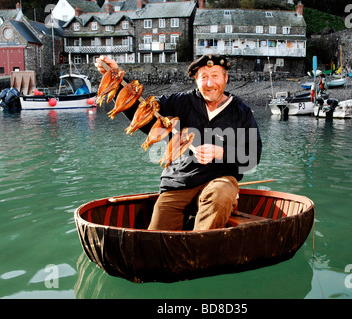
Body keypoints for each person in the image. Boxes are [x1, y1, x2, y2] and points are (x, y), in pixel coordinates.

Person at [95, 54, 262, 231]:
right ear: (195, 80)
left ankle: (200, 248)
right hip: (178, 183)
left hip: (219, 181)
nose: (209, 83)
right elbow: (143, 110)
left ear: (226, 77)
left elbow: (252, 155)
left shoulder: (241, 111)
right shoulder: (180, 102)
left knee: (222, 194)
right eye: (203, 77)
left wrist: (220, 152)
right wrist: (116, 75)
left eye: (215, 76)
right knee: (157, 234)